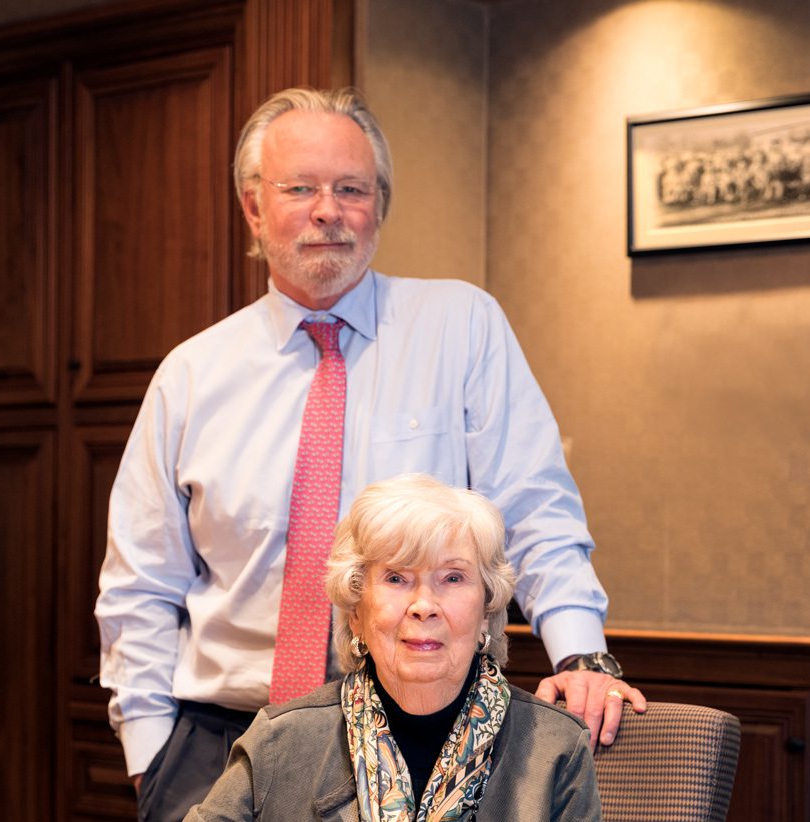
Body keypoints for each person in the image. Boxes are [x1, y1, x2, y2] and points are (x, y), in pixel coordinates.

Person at [96, 86, 645, 822]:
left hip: (419, 730)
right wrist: (151, 757)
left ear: (379, 207)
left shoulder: (462, 327)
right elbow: (140, 584)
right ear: (254, 209)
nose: (329, 210)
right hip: (218, 740)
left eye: (352, 189)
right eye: (300, 188)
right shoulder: (190, 375)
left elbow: (536, 506)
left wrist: (579, 655)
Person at [185, 474, 604, 821]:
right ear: (355, 612)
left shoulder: (556, 747)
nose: (423, 606)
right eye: (396, 578)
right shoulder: (280, 742)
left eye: (453, 578)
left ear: (487, 609)